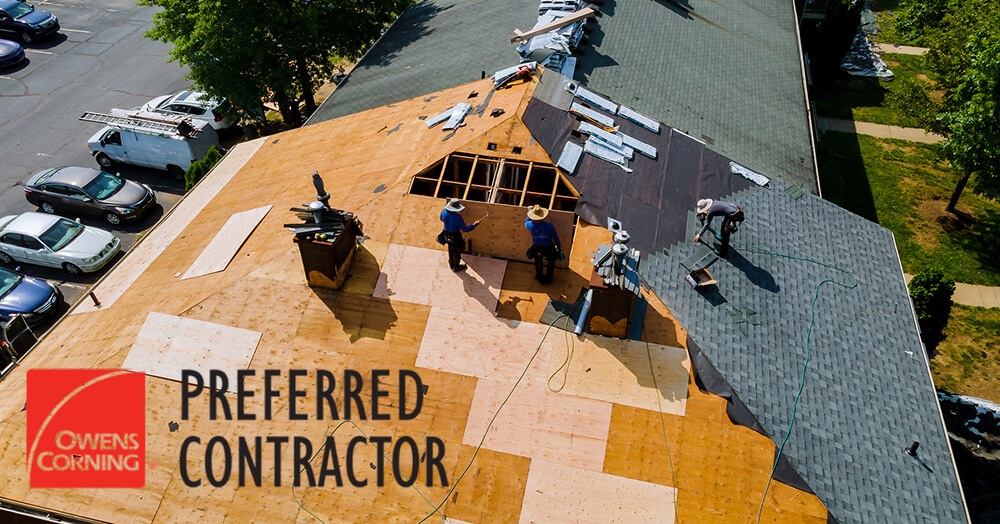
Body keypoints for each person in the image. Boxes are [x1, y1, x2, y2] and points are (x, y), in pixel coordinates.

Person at [524, 205, 563, 284]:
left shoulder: (530, 225)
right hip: (548, 247)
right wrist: (558, 247)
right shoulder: (549, 226)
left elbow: (526, 222)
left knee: (538, 263)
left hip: (537, 248)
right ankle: (548, 279)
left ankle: (540, 279)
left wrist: (529, 212)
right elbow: (555, 237)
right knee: (551, 263)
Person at [439, 198, 480, 271]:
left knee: (450, 248)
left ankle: (451, 264)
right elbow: (465, 229)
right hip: (455, 236)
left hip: (446, 234)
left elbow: (441, 219)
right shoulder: (458, 217)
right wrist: (474, 225)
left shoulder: (443, 212)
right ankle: (456, 267)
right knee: (457, 251)